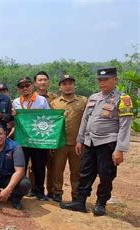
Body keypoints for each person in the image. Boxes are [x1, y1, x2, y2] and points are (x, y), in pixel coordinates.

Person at [61, 67, 133, 216]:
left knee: (106, 174)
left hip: (107, 143)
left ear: (115, 80)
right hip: (89, 142)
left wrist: (120, 149)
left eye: (106, 79)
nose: (102, 83)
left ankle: (101, 203)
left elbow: (125, 126)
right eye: (100, 80)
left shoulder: (123, 99)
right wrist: (80, 139)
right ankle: (80, 202)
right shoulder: (93, 97)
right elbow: (85, 120)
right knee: (85, 172)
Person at [49, 74, 87, 202]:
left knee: (76, 172)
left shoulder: (83, 101)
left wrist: (83, 141)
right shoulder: (54, 104)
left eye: (70, 83)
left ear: (74, 85)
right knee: (57, 171)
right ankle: (57, 193)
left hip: (77, 144)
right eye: (64, 84)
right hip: (60, 143)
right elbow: (50, 124)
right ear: (60, 87)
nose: (68, 86)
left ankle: (76, 195)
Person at [12, 77, 51, 201]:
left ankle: (39, 191)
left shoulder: (42, 100)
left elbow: (49, 118)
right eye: (21, 86)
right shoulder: (16, 102)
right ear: (18, 89)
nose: (25, 88)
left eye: (27, 85)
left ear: (32, 86)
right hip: (22, 140)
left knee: (39, 166)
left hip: (38, 139)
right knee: (21, 166)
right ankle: (20, 191)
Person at [33, 71, 58, 199]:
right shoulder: (30, 98)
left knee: (52, 165)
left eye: (45, 80)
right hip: (34, 138)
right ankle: (33, 189)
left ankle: (52, 191)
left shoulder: (56, 99)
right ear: (35, 83)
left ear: (48, 82)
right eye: (40, 80)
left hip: (50, 137)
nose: (42, 82)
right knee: (34, 166)